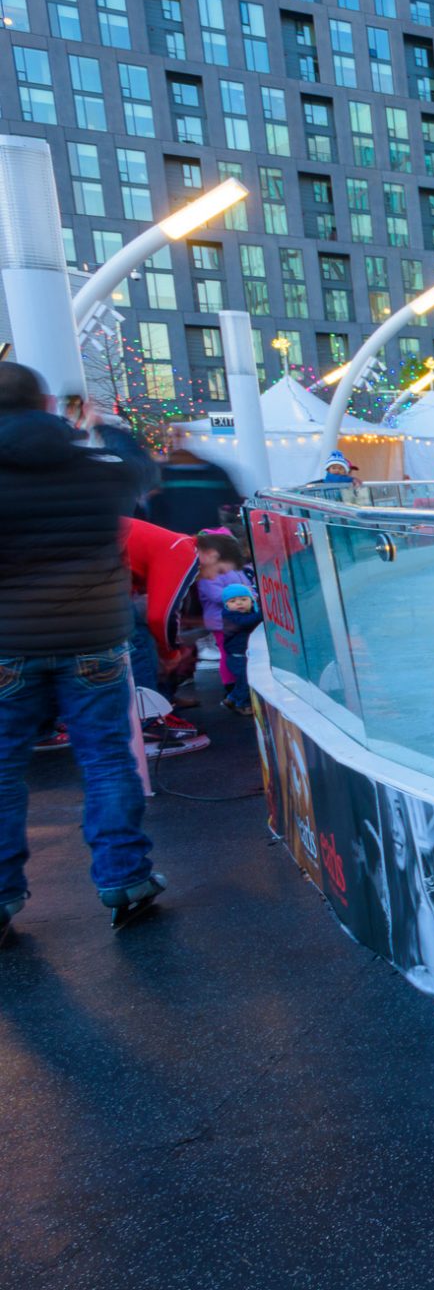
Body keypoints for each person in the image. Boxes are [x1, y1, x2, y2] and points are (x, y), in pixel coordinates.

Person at [0, 362, 165, 943]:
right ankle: (124, 879)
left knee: (2, 770)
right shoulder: (94, 466)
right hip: (93, 640)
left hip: (8, 645)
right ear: (47, 402)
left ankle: (2, 894)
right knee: (106, 760)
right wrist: (104, 423)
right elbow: (144, 470)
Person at [192, 530, 260, 714]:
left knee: (238, 653)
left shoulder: (235, 569)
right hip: (220, 621)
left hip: (240, 617)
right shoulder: (208, 574)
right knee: (228, 653)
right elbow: (215, 595)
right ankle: (230, 685)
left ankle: (235, 692)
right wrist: (240, 597)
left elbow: (247, 585)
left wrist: (250, 596)